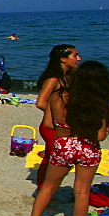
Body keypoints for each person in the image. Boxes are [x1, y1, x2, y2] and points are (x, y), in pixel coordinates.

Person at [27, 60, 109, 216]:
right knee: (82, 190)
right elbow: (100, 136)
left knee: (49, 187)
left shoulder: (58, 97)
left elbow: (49, 124)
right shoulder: (99, 102)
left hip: (64, 145)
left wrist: (64, 129)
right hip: (87, 147)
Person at [34, 45, 80, 185]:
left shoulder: (66, 77)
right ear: (63, 59)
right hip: (52, 126)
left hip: (60, 125)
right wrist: (59, 115)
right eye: (75, 55)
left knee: (52, 158)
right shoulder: (53, 79)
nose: (79, 58)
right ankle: (44, 189)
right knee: (53, 159)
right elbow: (40, 102)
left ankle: (46, 189)